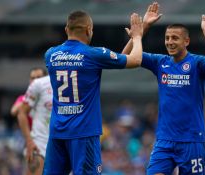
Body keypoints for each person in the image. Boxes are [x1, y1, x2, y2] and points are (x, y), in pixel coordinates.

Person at [123, 2, 205, 174]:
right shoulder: (160, 62)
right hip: (164, 141)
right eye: (167, 38)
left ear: (186, 41)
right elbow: (125, 57)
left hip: (191, 140)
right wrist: (141, 30)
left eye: (175, 38)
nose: (169, 42)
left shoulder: (196, 62)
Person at [43, 11, 144, 174]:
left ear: (66, 29)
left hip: (58, 132)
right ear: (89, 29)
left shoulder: (50, 54)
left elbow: (118, 58)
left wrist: (133, 39)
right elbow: (135, 60)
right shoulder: (92, 54)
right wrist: (138, 37)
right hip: (84, 133)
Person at [17, 75, 52, 175]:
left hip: (63, 143)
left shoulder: (76, 83)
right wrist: (29, 141)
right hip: (39, 143)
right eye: (32, 77)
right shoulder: (39, 84)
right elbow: (19, 112)